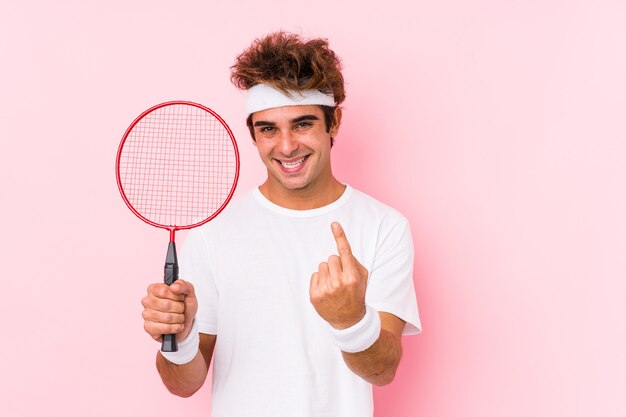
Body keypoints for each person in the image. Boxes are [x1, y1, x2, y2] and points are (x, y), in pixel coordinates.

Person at [141, 31, 421, 417]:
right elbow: (183, 385)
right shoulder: (213, 233)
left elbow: (383, 370)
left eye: (302, 124)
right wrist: (182, 337)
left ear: (334, 122)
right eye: (268, 129)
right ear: (253, 134)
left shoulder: (384, 226)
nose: (286, 146)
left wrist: (351, 320)